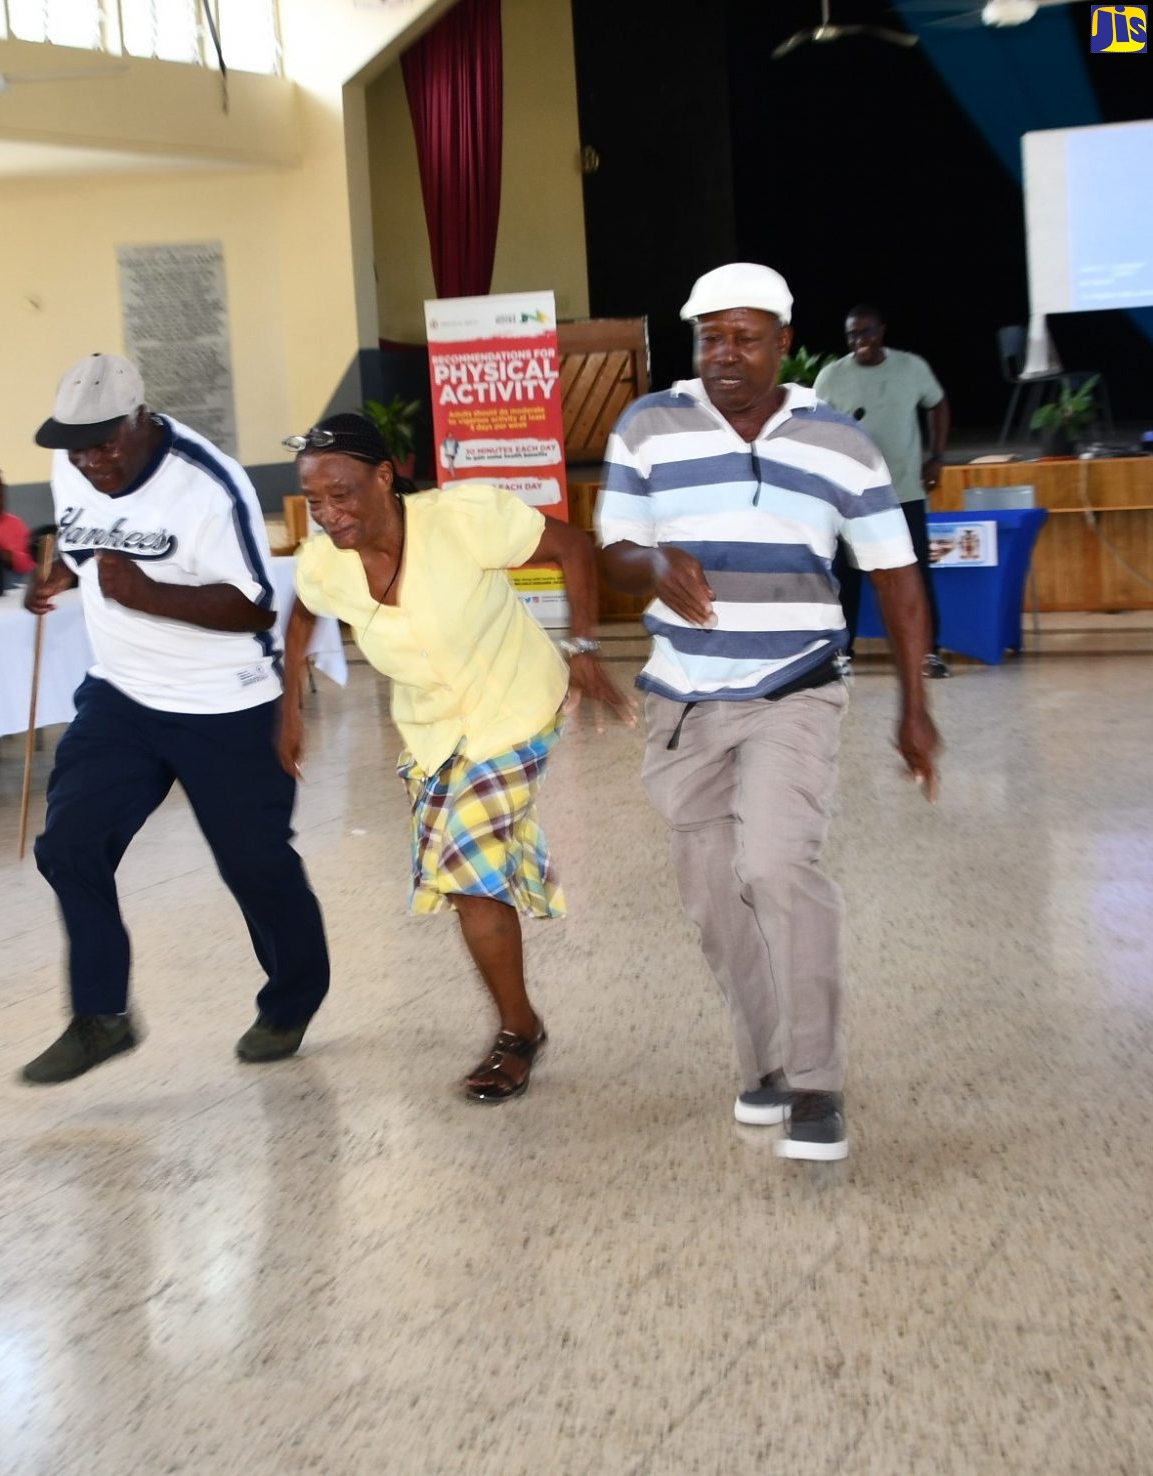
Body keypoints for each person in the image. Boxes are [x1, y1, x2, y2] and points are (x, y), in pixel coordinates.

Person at [597, 263, 941, 1163]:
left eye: (746, 337)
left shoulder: (840, 443)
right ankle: (767, 1065)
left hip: (797, 687)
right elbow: (615, 551)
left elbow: (896, 578)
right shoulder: (648, 425)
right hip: (684, 701)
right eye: (711, 337)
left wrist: (916, 706)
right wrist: (652, 564)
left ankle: (819, 1080)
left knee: (778, 865)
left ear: (787, 343)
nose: (726, 355)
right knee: (716, 899)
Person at [280, 414, 631, 1101]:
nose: (328, 515)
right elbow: (302, 613)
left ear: (385, 477)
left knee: (466, 867)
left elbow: (574, 548)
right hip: (433, 732)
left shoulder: (461, 518)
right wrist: (290, 704)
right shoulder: (325, 561)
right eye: (315, 501)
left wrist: (584, 648)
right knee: (476, 867)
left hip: (514, 709)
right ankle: (524, 1013)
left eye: (343, 494)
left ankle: (516, 1032)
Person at [19, 352, 331, 1084]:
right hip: (123, 695)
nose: (90, 459)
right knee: (69, 845)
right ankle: (101, 1015)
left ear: (139, 419)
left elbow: (256, 604)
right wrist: (62, 574)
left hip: (226, 701)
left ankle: (293, 998)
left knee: (254, 865)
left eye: (103, 441)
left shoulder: (208, 484)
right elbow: (86, 543)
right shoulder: (76, 467)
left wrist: (147, 595)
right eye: (75, 445)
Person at [813, 305, 952, 677]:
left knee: (914, 573)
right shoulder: (831, 377)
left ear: (882, 331)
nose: (861, 341)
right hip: (849, 498)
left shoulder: (911, 368)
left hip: (902, 493)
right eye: (853, 335)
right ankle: (841, 654)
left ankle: (928, 654)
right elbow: (814, 428)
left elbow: (937, 404)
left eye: (867, 332)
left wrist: (937, 456)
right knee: (846, 578)